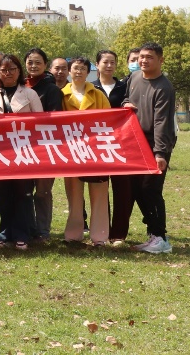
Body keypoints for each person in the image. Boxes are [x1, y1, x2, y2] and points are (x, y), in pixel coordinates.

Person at [123, 42, 176, 254]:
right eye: (141, 57)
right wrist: (126, 104)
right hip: (135, 142)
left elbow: (161, 121)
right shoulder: (134, 78)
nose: (143, 61)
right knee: (137, 189)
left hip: (156, 145)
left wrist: (160, 153)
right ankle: (154, 233)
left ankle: (161, 238)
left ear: (161, 60)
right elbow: (127, 98)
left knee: (151, 190)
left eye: (149, 57)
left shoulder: (164, 87)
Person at [0, 54, 43, 249]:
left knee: (22, 192)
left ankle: (21, 234)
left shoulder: (29, 94)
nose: (8, 73)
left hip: (24, 150)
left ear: (19, 71)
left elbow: (41, 123)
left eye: (12, 69)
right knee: (2, 193)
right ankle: (5, 234)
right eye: (3, 70)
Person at [62, 56, 110, 246]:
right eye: (75, 68)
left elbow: (109, 121)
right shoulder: (61, 95)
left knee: (99, 194)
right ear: (69, 71)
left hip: (96, 150)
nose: (79, 71)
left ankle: (100, 236)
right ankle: (74, 234)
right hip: (71, 150)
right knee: (74, 194)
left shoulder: (98, 95)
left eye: (83, 68)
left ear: (89, 72)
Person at [24, 47, 61, 241]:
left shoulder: (52, 89)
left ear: (45, 65)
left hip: (45, 147)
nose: (33, 66)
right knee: (25, 191)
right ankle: (28, 228)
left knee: (42, 191)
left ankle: (43, 231)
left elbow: (55, 119)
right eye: (30, 62)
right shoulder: (20, 87)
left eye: (38, 62)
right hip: (22, 146)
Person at [98, 49, 133, 246]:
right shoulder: (91, 87)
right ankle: (102, 232)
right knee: (100, 191)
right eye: (105, 62)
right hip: (98, 145)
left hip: (121, 145)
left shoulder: (125, 87)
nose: (109, 65)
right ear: (97, 65)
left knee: (123, 190)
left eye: (113, 62)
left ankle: (119, 234)